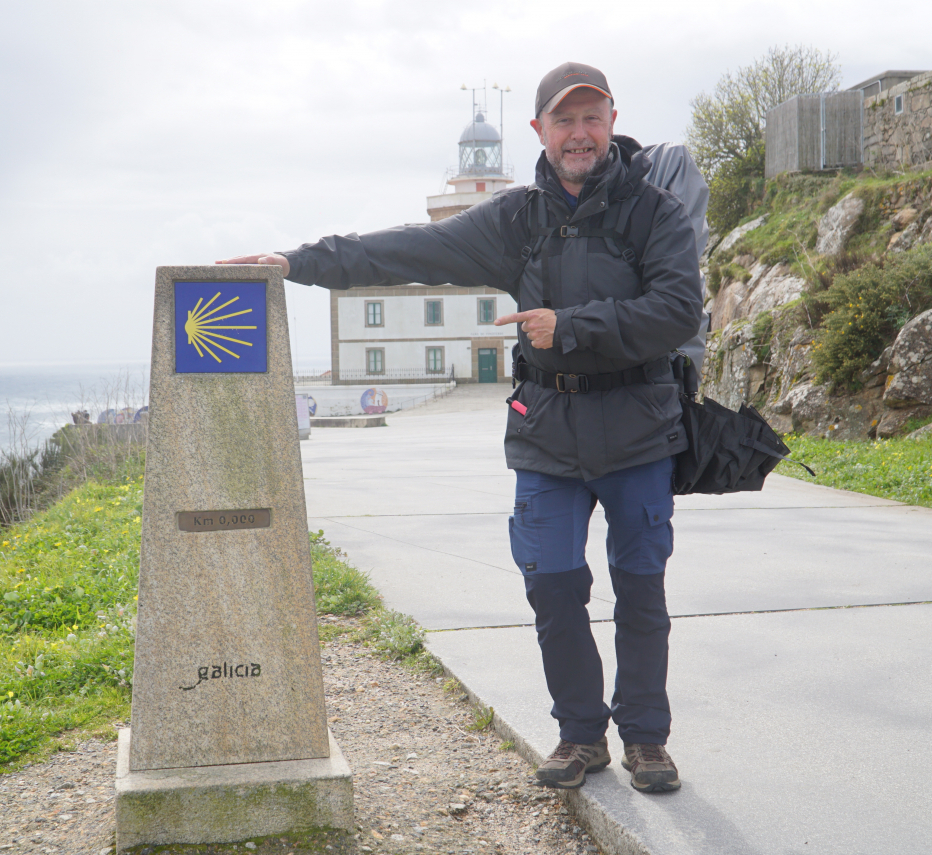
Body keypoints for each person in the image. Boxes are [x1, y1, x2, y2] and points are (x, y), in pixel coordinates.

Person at [220, 61, 703, 793]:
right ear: (539, 131)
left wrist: (567, 326)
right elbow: (405, 248)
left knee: (640, 587)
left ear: (611, 121)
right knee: (552, 585)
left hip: (638, 425)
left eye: (591, 117)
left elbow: (676, 311)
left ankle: (646, 738)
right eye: (564, 120)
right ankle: (580, 734)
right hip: (548, 431)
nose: (579, 134)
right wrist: (297, 263)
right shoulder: (516, 219)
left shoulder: (656, 211)